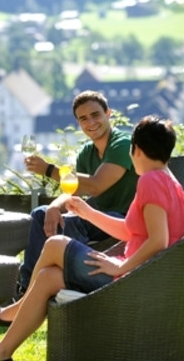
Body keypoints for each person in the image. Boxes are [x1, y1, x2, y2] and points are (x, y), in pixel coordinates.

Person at [0, 116, 184, 361]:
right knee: (47, 278)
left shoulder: (150, 180)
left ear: (136, 149)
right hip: (144, 275)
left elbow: (159, 241)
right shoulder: (170, 182)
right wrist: (88, 212)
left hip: (133, 279)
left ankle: (17, 307)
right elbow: (132, 233)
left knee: (54, 244)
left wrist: (121, 266)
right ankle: (1, 352)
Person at [16, 90, 139, 293]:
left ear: (108, 113)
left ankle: (75, 284)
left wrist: (49, 170)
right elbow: (73, 190)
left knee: (73, 222)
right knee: (40, 213)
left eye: (95, 115)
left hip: (123, 218)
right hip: (95, 217)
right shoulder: (86, 152)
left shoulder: (122, 143)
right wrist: (54, 207)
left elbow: (95, 185)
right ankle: (27, 287)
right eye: (83, 118)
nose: (90, 122)